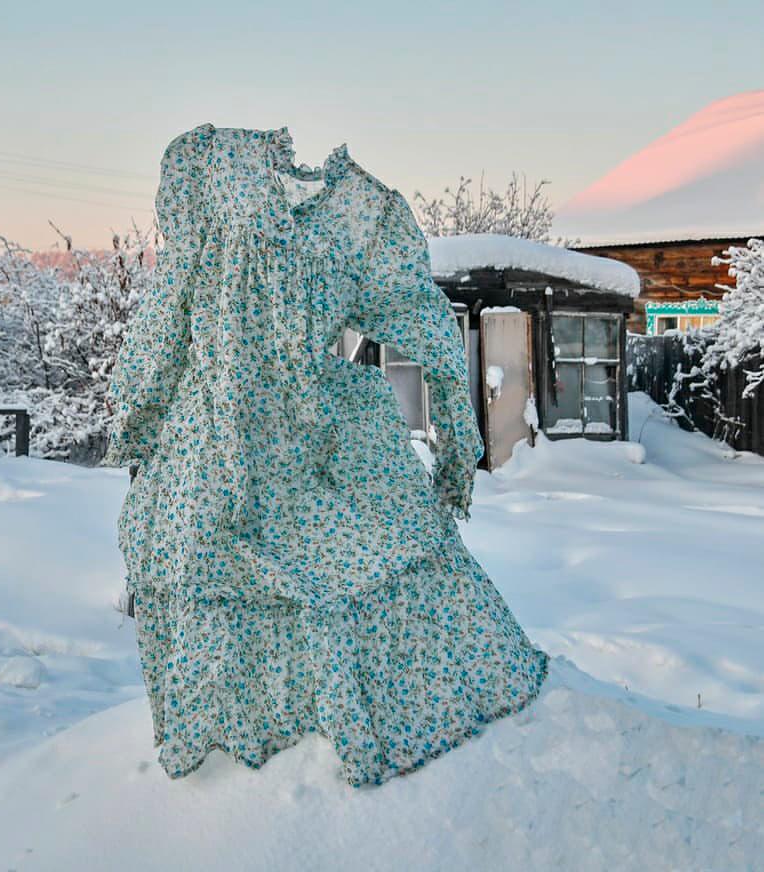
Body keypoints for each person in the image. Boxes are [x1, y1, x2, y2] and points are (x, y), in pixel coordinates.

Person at [101, 123, 549, 787]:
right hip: (232, 435)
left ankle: (288, 724)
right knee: (268, 565)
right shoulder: (251, 191)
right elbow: (171, 311)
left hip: (279, 435)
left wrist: (140, 413)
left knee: (314, 561)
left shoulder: (346, 217)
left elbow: (164, 328)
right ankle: (272, 728)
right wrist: (456, 448)